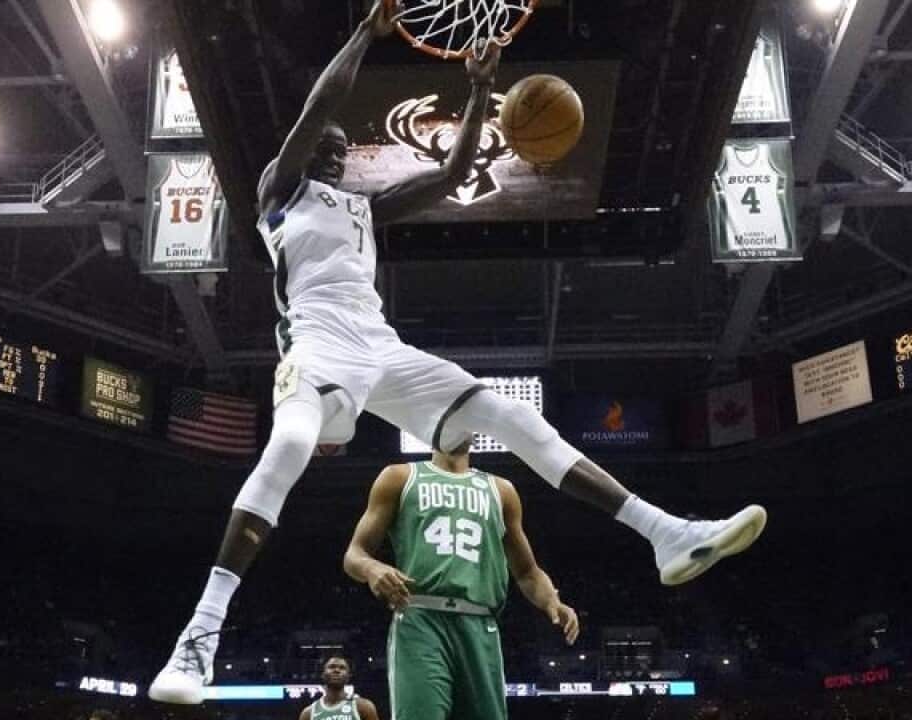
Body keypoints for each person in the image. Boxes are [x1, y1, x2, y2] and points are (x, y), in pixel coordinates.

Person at [148, 1, 766, 704]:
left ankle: (664, 533)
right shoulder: (279, 193)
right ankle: (196, 642)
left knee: (513, 418)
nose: (337, 145)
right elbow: (322, 102)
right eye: (327, 138)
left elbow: (451, 176)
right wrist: (364, 33)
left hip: (380, 349)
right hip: (317, 352)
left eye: (342, 144)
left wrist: (478, 90)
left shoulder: (363, 211)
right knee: (287, 444)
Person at [344, 443, 580, 720]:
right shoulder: (400, 477)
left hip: (480, 624)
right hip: (421, 618)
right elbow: (354, 554)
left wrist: (552, 599)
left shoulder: (501, 490)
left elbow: (528, 572)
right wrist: (372, 568)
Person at [298, 657, 378, 720]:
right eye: (332, 667)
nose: (337, 670)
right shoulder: (308, 713)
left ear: (348, 677)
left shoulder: (363, 706)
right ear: (323, 674)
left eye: (342, 668)